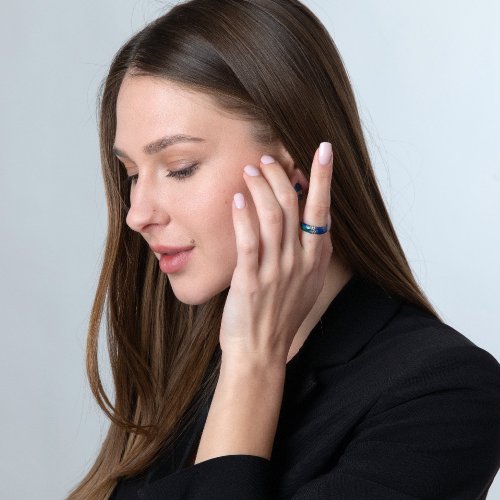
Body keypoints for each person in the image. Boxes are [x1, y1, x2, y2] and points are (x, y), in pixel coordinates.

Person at [67, 0, 500, 498]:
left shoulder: (443, 395)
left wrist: (252, 365)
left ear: (293, 176)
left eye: (180, 166)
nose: (137, 214)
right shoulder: (183, 356)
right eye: (133, 174)